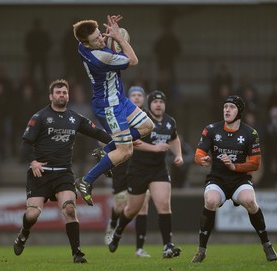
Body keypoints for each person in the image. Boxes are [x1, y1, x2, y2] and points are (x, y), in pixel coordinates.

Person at [12, 79, 112, 263]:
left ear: (68, 95)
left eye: (64, 93)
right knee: (33, 214)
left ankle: (77, 253)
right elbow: (25, 144)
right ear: (51, 96)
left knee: (70, 210)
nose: (61, 95)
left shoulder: (74, 118)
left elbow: (97, 133)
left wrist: (119, 140)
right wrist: (33, 162)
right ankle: (24, 234)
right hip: (40, 173)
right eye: (58, 93)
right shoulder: (39, 117)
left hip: (63, 173)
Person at [73, 15, 154, 206]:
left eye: (100, 35)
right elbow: (133, 60)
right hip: (109, 106)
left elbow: (100, 42)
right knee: (126, 151)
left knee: (147, 125)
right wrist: (118, 38)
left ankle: (107, 150)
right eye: (96, 40)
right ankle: (86, 181)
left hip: (119, 99)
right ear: (87, 43)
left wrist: (109, 36)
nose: (101, 39)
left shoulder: (82, 46)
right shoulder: (102, 57)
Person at [191, 95, 277, 263]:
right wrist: (203, 160)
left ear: (239, 112)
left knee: (250, 201)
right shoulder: (211, 129)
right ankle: (201, 250)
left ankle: (267, 245)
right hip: (217, 179)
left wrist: (234, 167)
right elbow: (198, 154)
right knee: (210, 201)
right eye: (225, 107)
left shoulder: (250, 133)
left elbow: (255, 164)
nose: (227, 110)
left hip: (239, 179)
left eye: (231, 107)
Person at [107, 90, 184, 259]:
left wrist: (178, 155)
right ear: (149, 105)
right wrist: (154, 148)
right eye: (155, 101)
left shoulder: (170, 121)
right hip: (138, 170)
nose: (158, 104)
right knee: (132, 210)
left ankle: (167, 246)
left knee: (164, 205)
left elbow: (174, 138)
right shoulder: (140, 120)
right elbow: (133, 142)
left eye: (161, 102)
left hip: (159, 169)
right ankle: (118, 231)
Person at [102, 86, 151, 258]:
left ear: (144, 99)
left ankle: (139, 248)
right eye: (133, 95)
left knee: (143, 206)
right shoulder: (119, 115)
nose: (137, 98)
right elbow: (106, 140)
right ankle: (113, 223)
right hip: (122, 166)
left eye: (140, 95)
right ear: (128, 99)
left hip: (140, 168)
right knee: (120, 204)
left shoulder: (147, 120)